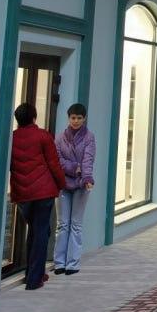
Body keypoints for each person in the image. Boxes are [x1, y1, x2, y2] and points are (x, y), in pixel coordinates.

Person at [9, 101, 66, 291]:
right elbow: (54, 164)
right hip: (43, 192)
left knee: (33, 231)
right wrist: (62, 184)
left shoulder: (12, 138)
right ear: (34, 118)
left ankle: (32, 273)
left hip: (23, 194)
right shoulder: (43, 136)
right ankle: (35, 279)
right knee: (41, 232)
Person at [54, 103, 96, 276]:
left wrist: (87, 178)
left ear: (84, 118)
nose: (76, 121)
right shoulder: (59, 138)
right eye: (73, 118)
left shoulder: (89, 138)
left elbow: (88, 159)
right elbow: (57, 160)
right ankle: (59, 263)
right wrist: (73, 167)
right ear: (68, 118)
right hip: (63, 185)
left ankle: (73, 263)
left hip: (81, 185)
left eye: (79, 118)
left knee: (76, 225)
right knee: (63, 224)